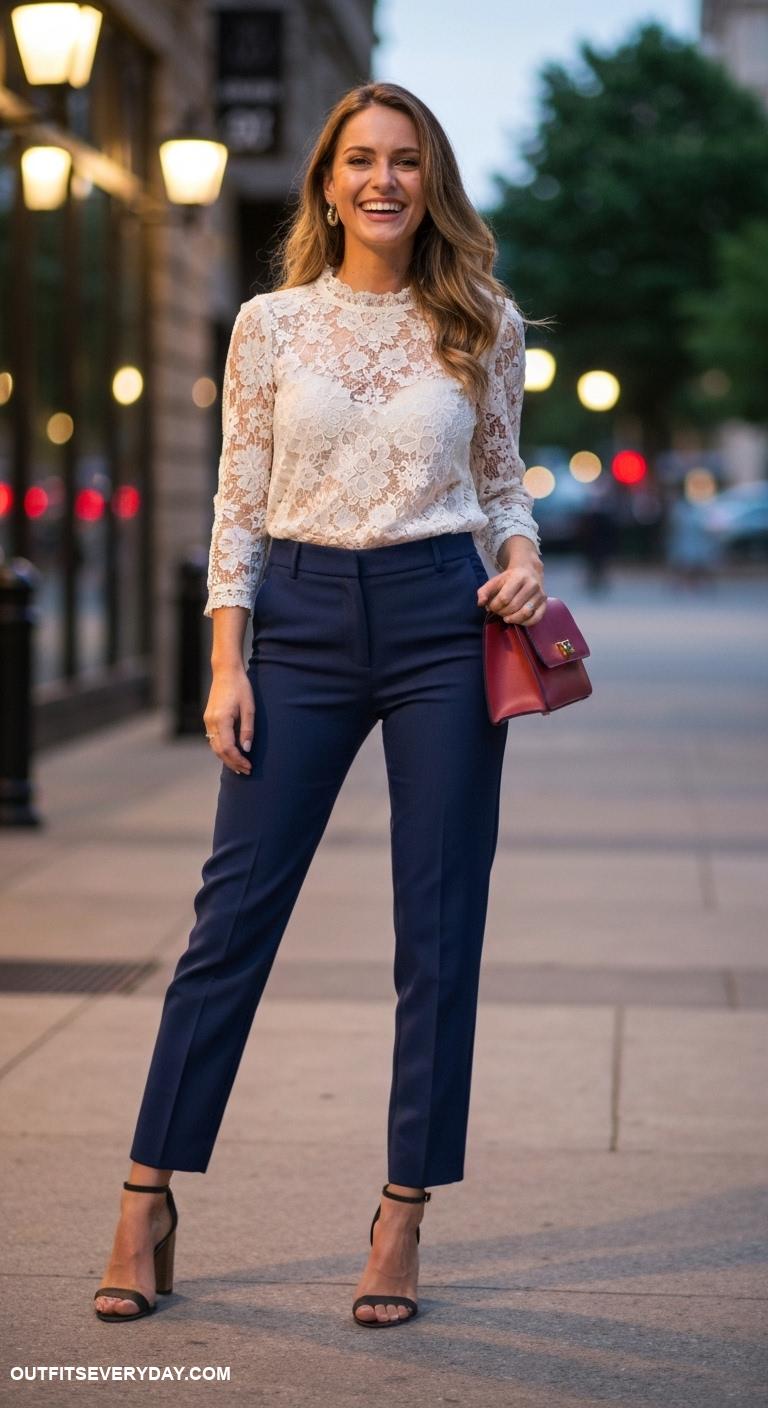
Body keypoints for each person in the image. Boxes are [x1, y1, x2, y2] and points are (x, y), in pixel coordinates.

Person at [94, 80, 546, 1330]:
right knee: (231, 915)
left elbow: (505, 485)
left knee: (440, 922)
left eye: (406, 160)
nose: (384, 180)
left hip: (442, 622)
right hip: (291, 617)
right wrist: (225, 664)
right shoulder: (271, 324)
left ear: (431, 179)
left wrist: (522, 560)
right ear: (328, 181)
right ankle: (147, 1193)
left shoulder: (481, 321)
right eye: (361, 160)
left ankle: (402, 1213)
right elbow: (236, 502)